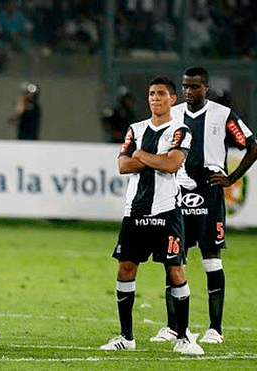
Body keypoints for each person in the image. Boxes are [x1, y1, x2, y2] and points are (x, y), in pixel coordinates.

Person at [151, 67, 257, 344]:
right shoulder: (173, 115)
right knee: (173, 259)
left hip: (209, 194)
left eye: (194, 87)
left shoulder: (223, 115)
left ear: (206, 88)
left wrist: (231, 178)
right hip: (177, 193)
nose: (189, 92)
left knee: (211, 260)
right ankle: (173, 327)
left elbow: (252, 145)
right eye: (185, 86)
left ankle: (215, 329)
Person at [100, 76, 204, 355]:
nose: (155, 98)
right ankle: (126, 337)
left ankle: (183, 337)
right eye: (151, 94)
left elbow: (171, 164)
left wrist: (142, 155)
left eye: (161, 94)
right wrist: (152, 158)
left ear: (173, 99)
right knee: (125, 269)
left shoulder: (181, 130)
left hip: (166, 211)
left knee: (175, 270)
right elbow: (123, 165)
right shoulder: (135, 128)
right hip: (134, 212)